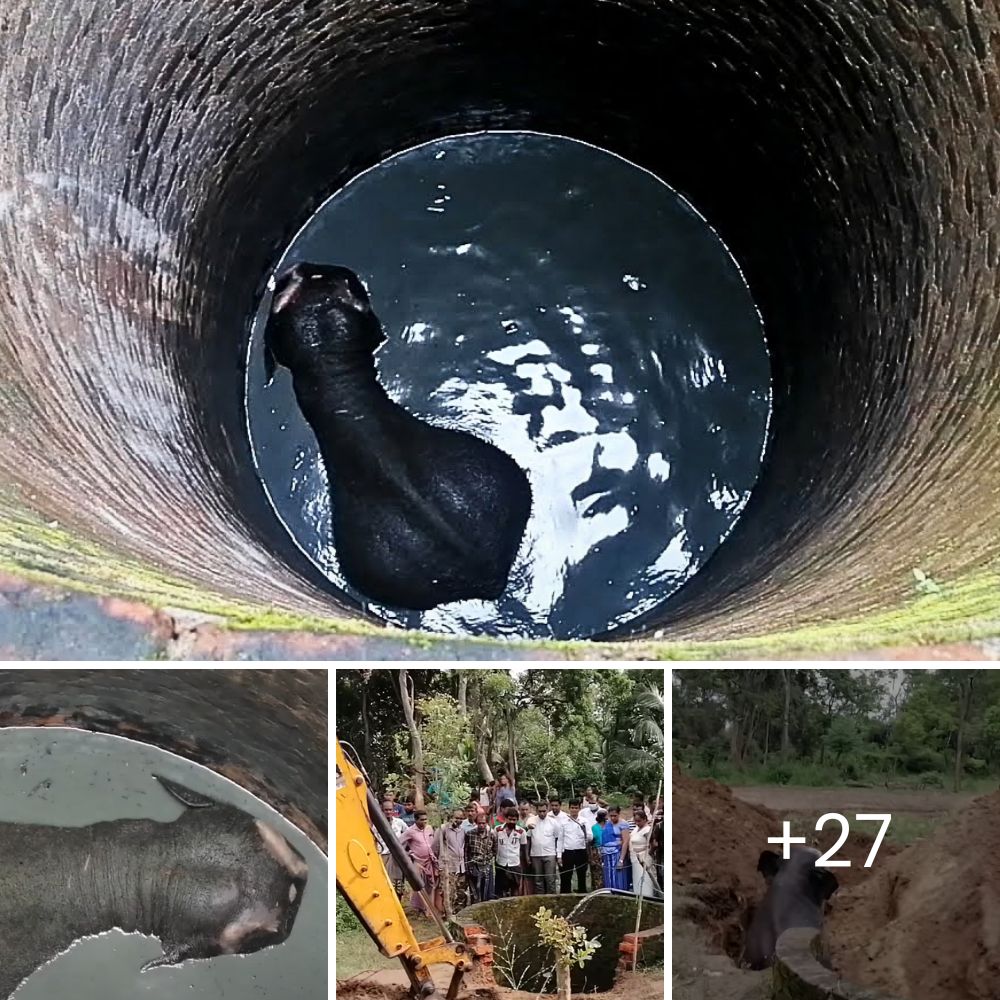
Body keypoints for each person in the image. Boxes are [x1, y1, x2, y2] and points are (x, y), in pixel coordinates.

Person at [400, 810, 438, 914]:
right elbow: (399, 842)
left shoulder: (429, 829)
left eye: (426, 819)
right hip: (418, 862)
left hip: (430, 861)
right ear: (416, 820)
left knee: (430, 885)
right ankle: (419, 908)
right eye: (422, 820)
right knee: (420, 885)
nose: (424, 822)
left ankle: (429, 909)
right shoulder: (410, 831)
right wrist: (408, 853)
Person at [433, 808, 468, 913]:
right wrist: (439, 864)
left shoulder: (462, 830)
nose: (458, 820)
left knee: (459, 891)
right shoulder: (443, 829)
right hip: (447, 866)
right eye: (456, 818)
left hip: (460, 866)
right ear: (451, 818)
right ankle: (445, 912)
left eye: (461, 818)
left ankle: (457, 913)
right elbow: (435, 846)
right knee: (447, 891)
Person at [596, 806, 632, 891]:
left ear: (619, 814)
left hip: (618, 854)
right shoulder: (607, 823)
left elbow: (625, 841)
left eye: (615, 815)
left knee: (619, 878)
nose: (612, 818)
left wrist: (621, 860)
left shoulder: (623, 824)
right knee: (609, 877)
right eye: (611, 815)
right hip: (607, 855)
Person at [531, 797, 563, 893]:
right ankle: (540, 903)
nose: (542, 813)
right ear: (536, 810)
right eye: (540, 811)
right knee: (538, 881)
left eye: (544, 811)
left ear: (547, 809)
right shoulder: (531, 820)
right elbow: (528, 839)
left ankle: (552, 902)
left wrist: (558, 856)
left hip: (550, 854)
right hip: (535, 855)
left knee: (550, 880)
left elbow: (558, 839)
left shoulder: (553, 822)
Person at [464, 813, 497, 903]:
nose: (481, 825)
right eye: (479, 823)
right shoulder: (470, 834)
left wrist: (485, 858)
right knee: (475, 890)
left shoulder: (492, 834)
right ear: (476, 823)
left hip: (486, 865)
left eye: (483, 823)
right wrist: (468, 866)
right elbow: (466, 851)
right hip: (474, 866)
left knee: (487, 891)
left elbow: (494, 851)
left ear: (486, 823)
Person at [378, 799, 408, 895]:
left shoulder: (399, 822)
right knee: (384, 880)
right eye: (386, 810)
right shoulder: (376, 824)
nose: (388, 812)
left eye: (390, 810)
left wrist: (406, 848)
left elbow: (409, 834)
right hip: (383, 855)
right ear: (381, 810)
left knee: (397, 880)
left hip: (397, 856)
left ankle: (398, 901)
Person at [627, 807, 658, 898]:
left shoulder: (647, 830)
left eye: (639, 821)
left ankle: (647, 897)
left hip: (644, 857)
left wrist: (647, 853)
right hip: (635, 858)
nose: (637, 823)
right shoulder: (636, 828)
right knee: (637, 880)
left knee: (645, 879)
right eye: (635, 821)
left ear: (645, 819)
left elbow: (654, 844)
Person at [560, 800, 589, 893]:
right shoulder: (563, 822)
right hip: (567, 851)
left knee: (581, 874)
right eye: (572, 808)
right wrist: (559, 855)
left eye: (576, 808)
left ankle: (582, 893)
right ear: (569, 808)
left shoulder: (584, 821)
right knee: (566, 875)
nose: (574, 810)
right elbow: (560, 839)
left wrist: (584, 834)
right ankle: (565, 894)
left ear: (579, 809)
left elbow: (590, 836)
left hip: (581, 851)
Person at [495, 807, 525, 897]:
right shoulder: (498, 830)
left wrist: (521, 863)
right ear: (505, 818)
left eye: (514, 820)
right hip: (501, 863)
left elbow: (523, 848)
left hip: (515, 863)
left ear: (517, 820)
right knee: (500, 887)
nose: (512, 822)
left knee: (515, 887)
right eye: (510, 819)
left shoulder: (521, 831)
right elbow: (494, 844)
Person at [517, 800, 537, 896]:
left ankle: (530, 892)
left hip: (531, 847)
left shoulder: (533, 818)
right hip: (518, 849)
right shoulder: (516, 818)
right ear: (519, 809)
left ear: (530, 809)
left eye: (526, 809)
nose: (524, 812)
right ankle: (520, 891)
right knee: (520, 871)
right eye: (522, 810)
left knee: (530, 871)